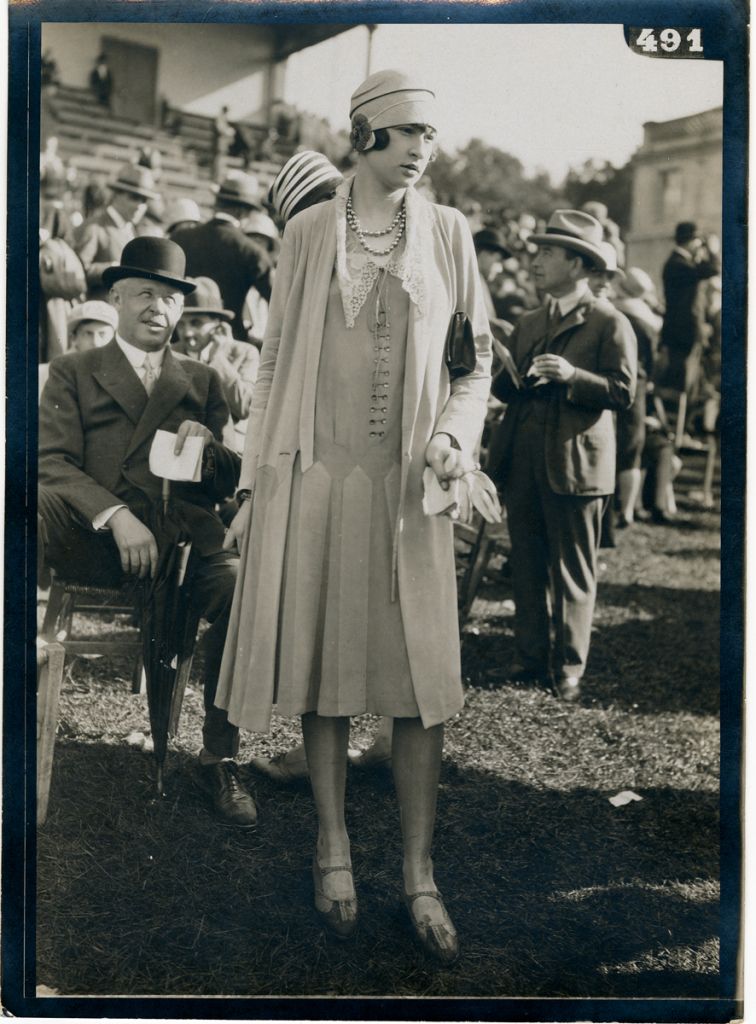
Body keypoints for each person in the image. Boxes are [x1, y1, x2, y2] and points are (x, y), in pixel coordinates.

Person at [215, 70, 494, 964]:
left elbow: (474, 365)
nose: (421, 149)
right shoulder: (304, 233)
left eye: (432, 136)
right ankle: (332, 847)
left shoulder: (451, 235)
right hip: (317, 478)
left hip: (411, 493)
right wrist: (258, 483)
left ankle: (419, 872)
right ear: (363, 133)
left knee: (419, 682)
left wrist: (454, 437)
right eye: (406, 131)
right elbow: (271, 364)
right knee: (326, 667)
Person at [38, 237, 257, 828]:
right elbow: (51, 463)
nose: (157, 307)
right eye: (144, 293)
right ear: (115, 298)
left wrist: (212, 451)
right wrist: (116, 515)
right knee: (30, 506)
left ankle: (220, 753)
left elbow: (230, 479)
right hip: (101, 538)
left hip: (185, 538)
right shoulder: (73, 371)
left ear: (182, 310)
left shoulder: (205, 381)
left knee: (244, 591)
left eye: (169, 298)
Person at [489, 210, 636, 703]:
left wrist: (574, 377)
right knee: (527, 563)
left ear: (578, 265)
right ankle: (529, 659)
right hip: (526, 458)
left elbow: (623, 392)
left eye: (549, 252)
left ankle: (569, 667)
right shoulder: (529, 322)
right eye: (538, 251)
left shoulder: (609, 322)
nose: (536, 260)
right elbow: (506, 392)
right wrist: (506, 373)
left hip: (576, 464)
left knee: (573, 569)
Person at [172, 173, 272, 340]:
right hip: (228, 340)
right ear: (243, 212)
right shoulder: (252, 252)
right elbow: (279, 302)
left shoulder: (180, 238)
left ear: (217, 203)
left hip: (180, 336)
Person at [172, 276, 259, 453]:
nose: (187, 332)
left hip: (230, 450)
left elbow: (244, 407)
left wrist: (218, 359)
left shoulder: (244, 353)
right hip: (181, 447)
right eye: (181, 324)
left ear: (218, 324)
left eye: (196, 323)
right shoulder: (171, 353)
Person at [75, 163, 158, 300]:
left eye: (144, 200)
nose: (140, 206)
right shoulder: (95, 227)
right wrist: (114, 269)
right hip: (99, 313)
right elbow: (77, 271)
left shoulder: (132, 230)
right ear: (116, 195)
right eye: (134, 197)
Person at [658, 221, 720, 400]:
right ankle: (673, 424)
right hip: (683, 333)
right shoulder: (678, 264)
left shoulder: (683, 263)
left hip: (686, 331)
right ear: (691, 241)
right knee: (681, 386)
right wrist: (713, 249)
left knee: (690, 385)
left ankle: (680, 424)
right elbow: (714, 268)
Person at [39, 300, 118, 396]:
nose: (96, 343)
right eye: (88, 334)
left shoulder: (122, 375)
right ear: (74, 338)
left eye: (102, 334)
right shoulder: (47, 374)